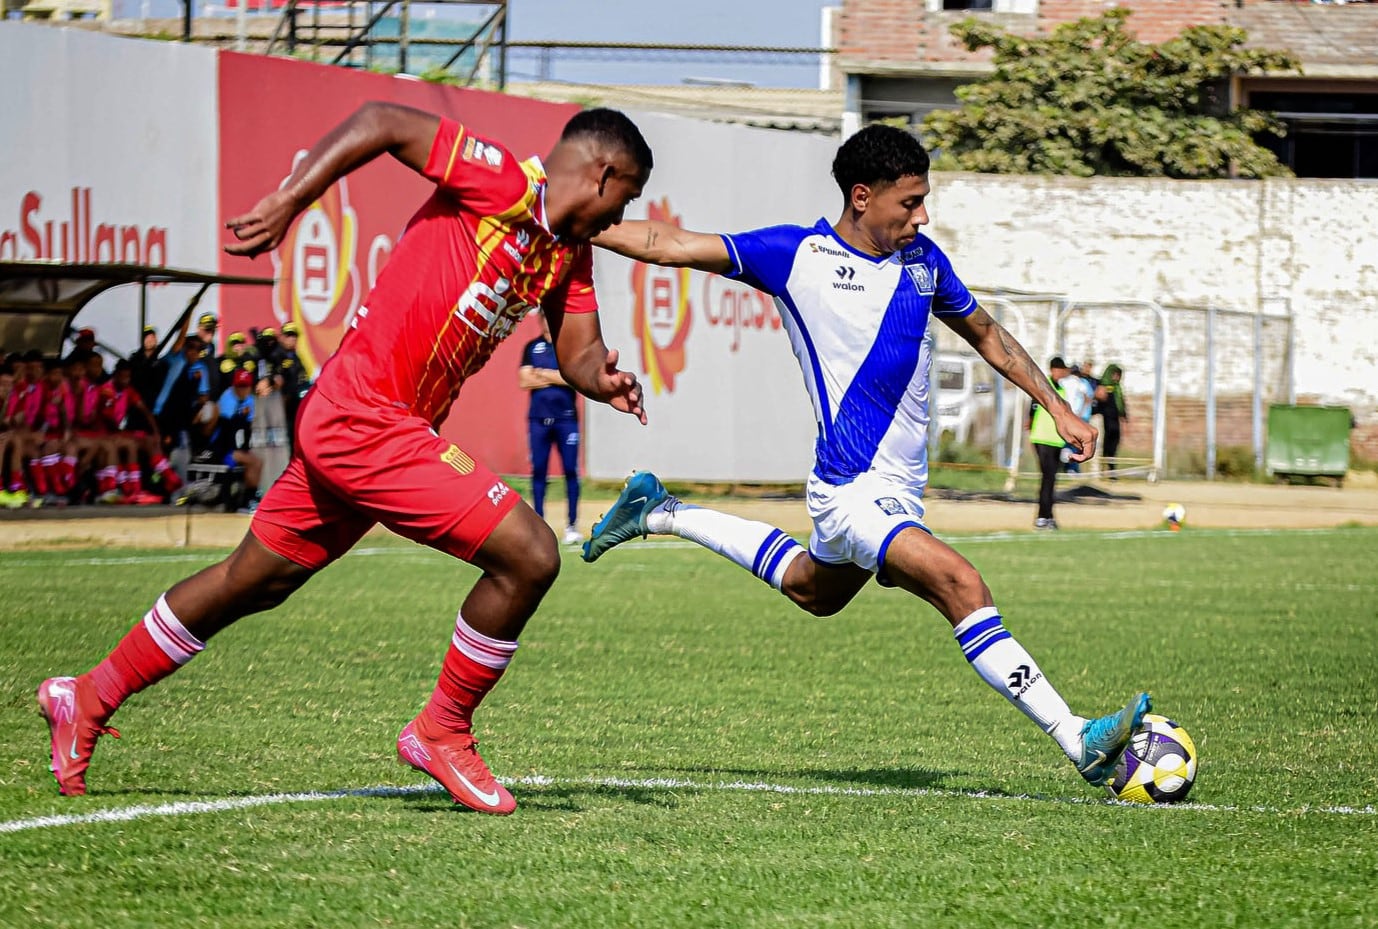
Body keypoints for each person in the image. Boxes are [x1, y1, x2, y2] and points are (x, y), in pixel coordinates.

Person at [36, 101, 652, 815]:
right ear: (604, 172)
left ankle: (85, 695)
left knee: (250, 582)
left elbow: (577, 351)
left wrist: (600, 380)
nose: (618, 218)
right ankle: (441, 729)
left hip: (372, 427)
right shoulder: (501, 183)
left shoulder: (567, 254)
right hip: (366, 418)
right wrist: (292, 199)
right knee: (531, 552)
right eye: (626, 196)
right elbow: (386, 119)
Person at [587, 123, 1147, 790]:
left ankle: (660, 511)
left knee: (811, 590)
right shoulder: (797, 255)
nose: (922, 214)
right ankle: (1076, 734)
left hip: (897, 491)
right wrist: (571, 221)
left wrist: (1057, 406)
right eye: (909, 202)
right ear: (862, 196)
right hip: (851, 490)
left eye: (923, 199)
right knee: (960, 584)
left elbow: (988, 334)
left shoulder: (924, 262)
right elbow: (670, 243)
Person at [519, 308, 583, 544]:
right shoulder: (531, 347)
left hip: (566, 419)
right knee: (539, 471)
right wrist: (555, 376)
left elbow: (573, 378)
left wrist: (542, 374)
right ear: (540, 320)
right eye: (544, 319)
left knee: (570, 470)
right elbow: (524, 380)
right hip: (538, 420)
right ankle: (539, 525)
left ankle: (572, 525)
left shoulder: (567, 347)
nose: (548, 324)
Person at [1029, 356, 1071, 530]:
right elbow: (1032, 410)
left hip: (1056, 440)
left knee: (1052, 479)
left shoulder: (1061, 390)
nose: (1062, 373)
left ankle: (1049, 515)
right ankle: (1042, 516)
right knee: (1047, 479)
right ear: (1053, 369)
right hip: (1042, 438)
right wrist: (1031, 429)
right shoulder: (1044, 388)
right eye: (1060, 369)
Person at [1059, 362, 1095, 474]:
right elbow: (1088, 399)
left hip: (1065, 416)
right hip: (1077, 417)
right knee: (1076, 444)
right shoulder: (1081, 382)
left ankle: (1065, 467)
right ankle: (1072, 468)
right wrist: (1081, 412)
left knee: (1065, 442)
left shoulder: (1063, 382)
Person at [1094, 363, 1129, 478]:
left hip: (1114, 422)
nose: (1117, 377)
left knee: (1113, 445)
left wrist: (1124, 414)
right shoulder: (1102, 386)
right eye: (1115, 374)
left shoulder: (1117, 389)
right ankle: (1101, 470)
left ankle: (1111, 470)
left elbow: (1120, 403)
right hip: (1105, 421)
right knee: (1104, 445)